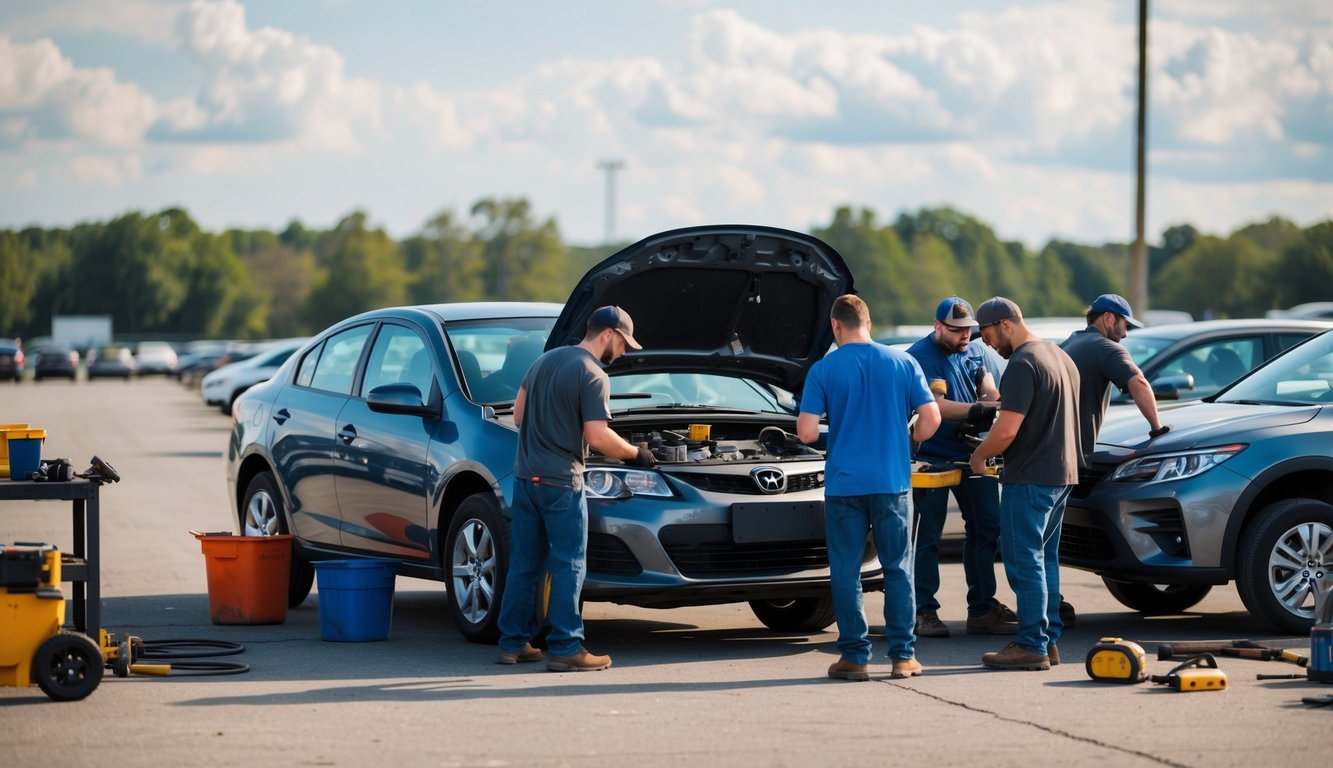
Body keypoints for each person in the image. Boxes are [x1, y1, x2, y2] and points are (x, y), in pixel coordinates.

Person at [495, 305, 655, 672]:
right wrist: (635, 453)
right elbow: (598, 437)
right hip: (561, 481)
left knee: (524, 563)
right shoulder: (593, 374)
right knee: (569, 563)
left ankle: (512, 643)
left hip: (525, 478)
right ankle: (567, 646)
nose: (625, 352)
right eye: (625, 343)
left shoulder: (543, 361)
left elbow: (518, 416)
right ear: (608, 335)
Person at [797, 294, 941, 681]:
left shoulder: (824, 369)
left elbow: (807, 432)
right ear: (869, 322)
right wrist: (906, 442)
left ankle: (855, 657)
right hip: (893, 483)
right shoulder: (903, 362)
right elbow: (931, 419)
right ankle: (903, 657)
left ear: (834, 326)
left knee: (845, 571)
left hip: (844, 485)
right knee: (897, 568)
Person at [969, 297, 1081, 671]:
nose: (986, 343)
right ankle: (1047, 642)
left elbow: (1007, 429)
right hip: (1062, 474)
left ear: (1004, 324)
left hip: (1030, 476)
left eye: (986, 334)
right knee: (1044, 558)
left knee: (1022, 560)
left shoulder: (1021, 363)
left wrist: (980, 455)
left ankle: (1031, 643)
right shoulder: (1060, 357)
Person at [906, 297, 1014, 639]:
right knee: (929, 536)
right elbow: (935, 405)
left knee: (987, 526)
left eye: (968, 330)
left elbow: (987, 384)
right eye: (955, 331)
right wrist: (976, 410)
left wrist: (990, 399)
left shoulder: (975, 349)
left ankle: (982, 608)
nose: (964, 336)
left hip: (973, 452)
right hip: (931, 458)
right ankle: (923, 610)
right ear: (937, 326)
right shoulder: (920, 356)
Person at [1061, 293, 1169, 450]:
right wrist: (1157, 427)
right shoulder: (1107, 347)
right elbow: (1139, 383)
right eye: (1126, 325)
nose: (1125, 334)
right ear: (1109, 318)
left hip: (1051, 446)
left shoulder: (1067, 343)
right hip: (1075, 450)